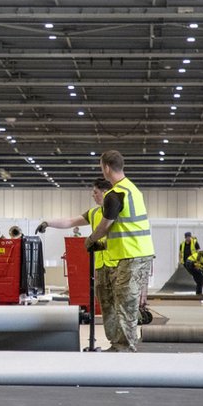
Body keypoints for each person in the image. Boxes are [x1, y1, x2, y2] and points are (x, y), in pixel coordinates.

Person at [83, 150, 155, 353]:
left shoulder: (116, 194)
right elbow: (125, 229)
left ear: (106, 168)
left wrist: (91, 239)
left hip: (132, 255)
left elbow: (106, 225)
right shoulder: (132, 189)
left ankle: (125, 348)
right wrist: (104, 245)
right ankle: (119, 345)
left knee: (125, 302)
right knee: (121, 301)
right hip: (133, 252)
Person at [36, 177, 116, 338]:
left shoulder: (117, 210)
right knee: (106, 306)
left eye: (95, 192)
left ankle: (124, 343)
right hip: (101, 265)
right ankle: (114, 342)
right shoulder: (94, 213)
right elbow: (71, 221)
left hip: (118, 263)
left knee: (120, 305)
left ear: (105, 192)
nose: (93, 195)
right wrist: (48, 223)